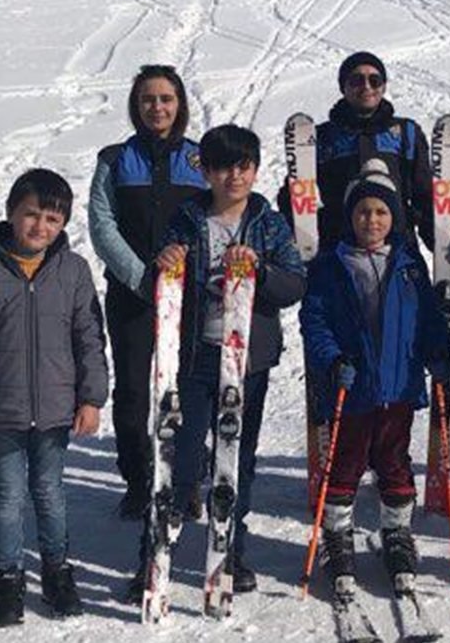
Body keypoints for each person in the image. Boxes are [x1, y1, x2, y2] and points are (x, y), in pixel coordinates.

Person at [125, 124, 305, 599]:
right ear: (204, 170)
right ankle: (153, 554)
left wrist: (261, 271)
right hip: (194, 357)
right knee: (179, 460)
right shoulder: (188, 217)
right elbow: (158, 275)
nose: (234, 176)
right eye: (223, 167)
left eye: (243, 166)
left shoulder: (266, 220)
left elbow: (294, 284)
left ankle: (232, 552)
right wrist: (165, 262)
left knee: (236, 459)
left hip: (247, 361)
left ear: (255, 169)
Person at [0, 168, 109, 626]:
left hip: (57, 409)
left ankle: (57, 572)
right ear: (11, 213)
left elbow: (89, 337)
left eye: (52, 219)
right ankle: (9, 579)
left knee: (50, 493)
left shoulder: (73, 271)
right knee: (8, 495)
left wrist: (91, 398)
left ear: (63, 224)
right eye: (31, 214)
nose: (40, 227)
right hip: (1, 409)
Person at [298, 178, 450, 598]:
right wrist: (331, 359)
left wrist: (438, 354)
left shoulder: (407, 263)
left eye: (381, 212)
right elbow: (314, 320)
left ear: (393, 218)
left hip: (398, 383)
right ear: (350, 216)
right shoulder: (332, 264)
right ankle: (338, 536)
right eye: (364, 211)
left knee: (394, 461)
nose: (372, 220)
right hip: (353, 385)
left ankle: (397, 533)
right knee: (345, 463)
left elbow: (428, 318)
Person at [88, 64, 208, 519]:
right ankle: (139, 481)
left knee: (189, 389)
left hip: (188, 295)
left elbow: (213, 218)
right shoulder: (115, 160)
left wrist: (185, 266)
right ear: (136, 107)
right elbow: (102, 225)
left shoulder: (199, 160)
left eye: (166, 99)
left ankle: (186, 480)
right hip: (133, 294)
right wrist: (138, 277)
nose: (157, 107)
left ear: (179, 105)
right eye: (148, 100)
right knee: (135, 392)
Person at [277, 50, 435, 254]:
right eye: (356, 80)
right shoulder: (320, 138)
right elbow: (296, 195)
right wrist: (300, 232)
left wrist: (438, 239)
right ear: (343, 87)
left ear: (384, 86)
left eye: (375, 80)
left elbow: (425, 195)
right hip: (337, 248)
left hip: (397, 248)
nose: (367, 87)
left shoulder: (406, 133)